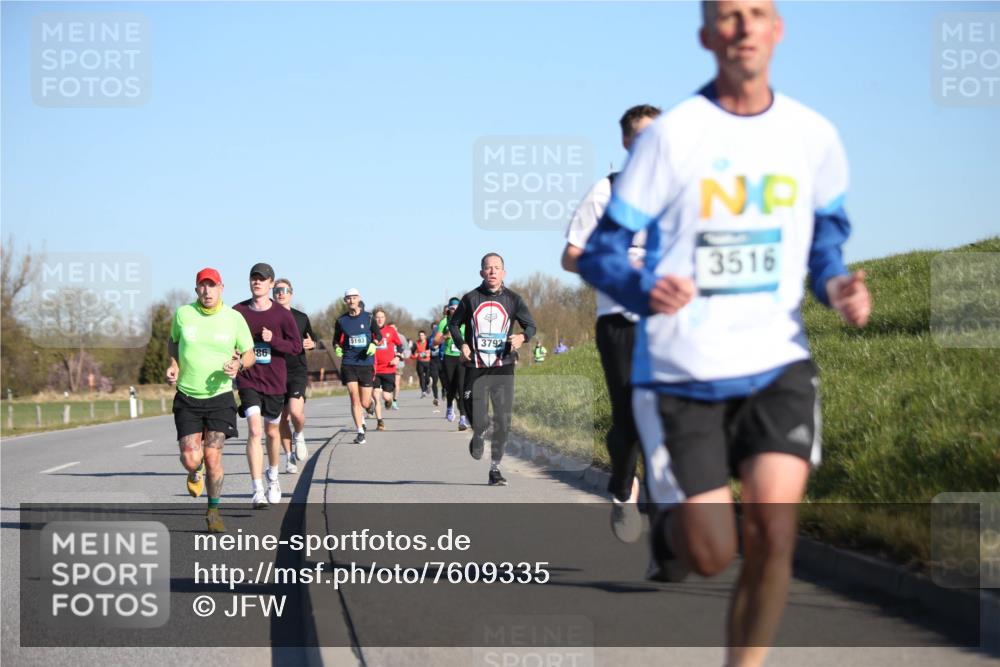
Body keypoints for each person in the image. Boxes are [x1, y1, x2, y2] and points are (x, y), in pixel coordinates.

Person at [578, 3, 872, 665]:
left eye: (756, 12)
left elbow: (825, 243)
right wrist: (641, 286)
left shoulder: (812, 135)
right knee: (710, 553)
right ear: (707, 36)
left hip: (777, 364)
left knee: (773, 529)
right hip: (682, 370)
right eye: (727, 16)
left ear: (777, 30)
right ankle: (673, 533)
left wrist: (838, 284)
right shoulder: (671, 140)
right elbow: (600, 254)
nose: (742, 25)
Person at [562, 103, 661, 543]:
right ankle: (623, 488)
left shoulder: (684, 191)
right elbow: (571, 257)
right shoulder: (607, 191)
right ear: (626, 143)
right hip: (619, 320)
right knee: (630, 417)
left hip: (671, 319)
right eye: (641, 137)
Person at [166, 268, 255, 533]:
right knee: (191, 458)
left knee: (213, 457)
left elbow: (249, 354)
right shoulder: (183, 314)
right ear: (196, 290)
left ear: (221, 288)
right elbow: (173, 342)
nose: (207, 291)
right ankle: (195, 473)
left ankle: (213, 510)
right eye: (202, 286)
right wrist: (173, 364)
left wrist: (239, 363)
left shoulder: (234, 318)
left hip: (220, 397)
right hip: (188, 396)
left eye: (212, 286)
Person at [451, 253, 536, 486]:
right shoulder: (470, 299)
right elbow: (453, 324)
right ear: (481, 273)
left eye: (496, 268)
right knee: (475, 412)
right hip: (476, 366)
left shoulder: (514, 300)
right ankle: (478, 432)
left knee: (503, 419)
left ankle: (495, 469)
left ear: (504, 272)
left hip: (503, 366)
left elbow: (530, 325)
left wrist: (522, 337)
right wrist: (463, 344)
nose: (492, 271)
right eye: (488, 268)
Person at [233, 263, 303, 508]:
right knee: (254, 430)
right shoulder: (238, 311)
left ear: (271, 284)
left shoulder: (282, 315)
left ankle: (273, 477)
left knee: (272, 432)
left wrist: (274, 341)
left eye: (262, 279)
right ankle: (257, 490)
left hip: (274, 381)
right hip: (248, 378)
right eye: (254, 278)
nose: (257, 282)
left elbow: (296, 347)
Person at [273, 278, 315, 473]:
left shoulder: (301, 317)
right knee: (282, 419)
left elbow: (311, 339)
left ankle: (299, 434)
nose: (281, 293)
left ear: (291, 293)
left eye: (284, 290)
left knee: (296, 413)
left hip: (297, 370)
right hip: (275, 371)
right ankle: (289, 457)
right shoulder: (268, 317)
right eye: (277, 290)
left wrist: (311, 344)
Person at [333, 288, 382, 444]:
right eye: (348, 298)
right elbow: (335, 340)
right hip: (349, 362)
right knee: (354, 399)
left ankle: (370, 406)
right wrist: (337, 348)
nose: (351, 300)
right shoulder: (341, 321)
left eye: (354, 297)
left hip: (365, 363)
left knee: (364, 402)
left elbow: (378, 335)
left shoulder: (368, 318)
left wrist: (374, 344)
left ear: (359, 298)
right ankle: (360, 431)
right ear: (345, 301)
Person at [435, 298, 469, 430]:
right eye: (452, 308)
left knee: (462, 388)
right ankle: (450, 406)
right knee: (451, 387)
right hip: (448, 358)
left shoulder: (466, 321)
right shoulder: (445, 322)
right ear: (448, 309)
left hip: (462, 357)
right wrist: (445, 336)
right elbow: (435, 342)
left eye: (457, 308)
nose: (454, 310)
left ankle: (462, 419)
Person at [372, 308, 403, 431]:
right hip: (374, 369)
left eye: (382, 317)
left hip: (388, 369)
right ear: (374, 319)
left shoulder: (390, 331)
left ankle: (389, 401)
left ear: (385, 318)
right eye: (377, 317)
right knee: (375, 395)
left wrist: (397, 357)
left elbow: (400, 346)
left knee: (386, 396)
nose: (379, 319)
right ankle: (380, 421)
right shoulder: (370, 332)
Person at [412, 330, 432, 397]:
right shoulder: (416, 343)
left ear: (425, 336)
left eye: (422, 335)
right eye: (420, 335)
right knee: (421, 377)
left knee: (427, 377)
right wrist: (416, 355)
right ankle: (423, 391)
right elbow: (412, 353)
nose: (421, 336)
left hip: (428, 362)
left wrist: (429, 353)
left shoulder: (428, 342)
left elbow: (432, 351)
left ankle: (428, 385)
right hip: (420, 362)